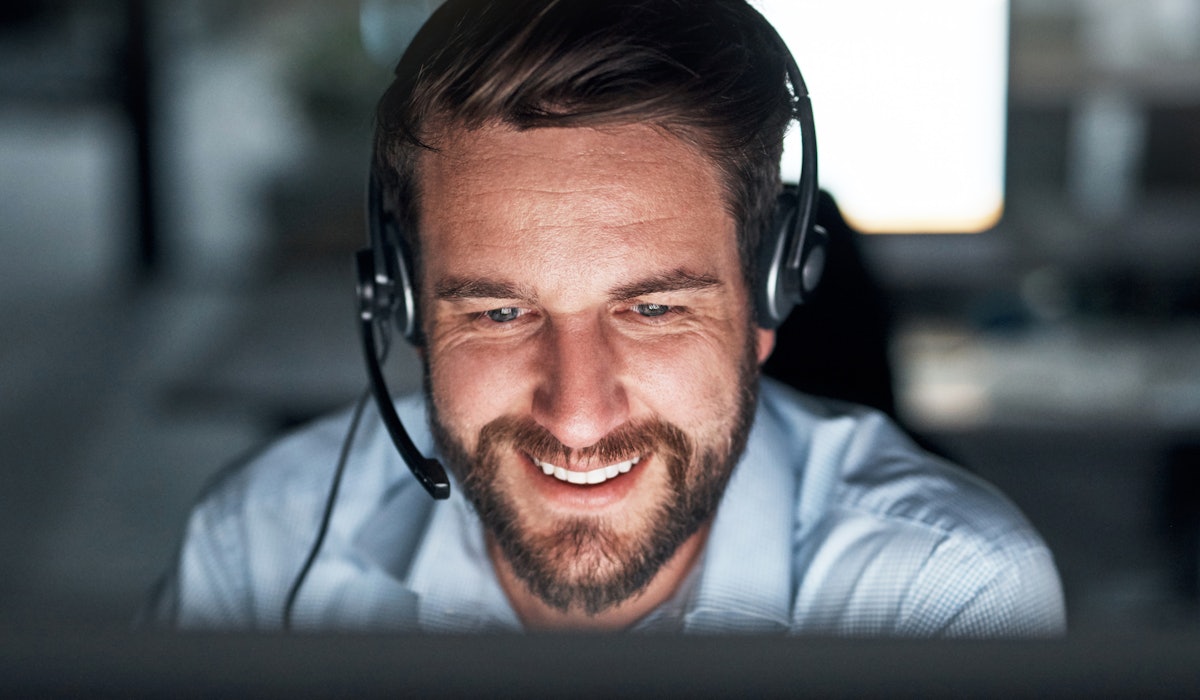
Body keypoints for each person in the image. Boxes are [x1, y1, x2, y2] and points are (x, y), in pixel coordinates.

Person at [146, 0, 1066, 635]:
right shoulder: (257, 551)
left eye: (655, 307)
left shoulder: (944, 597)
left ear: (770, 296)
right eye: (502, 311)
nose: (578, 415)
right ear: (406, 301)